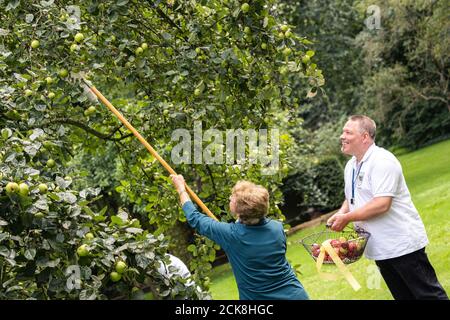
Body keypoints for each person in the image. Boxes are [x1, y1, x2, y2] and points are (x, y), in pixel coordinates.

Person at [327, 115, 448, 300]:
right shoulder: (351, 165)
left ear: (365, 137)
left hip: (402, 245)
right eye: (343, 131)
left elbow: (382, 203)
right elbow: (353, 196)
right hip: (380, 248)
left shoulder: (382, 161)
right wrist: (342, 212)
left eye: (348, 132)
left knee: (429, 296)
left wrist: (347, 218)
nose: (342, 136)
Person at [170, 175, 309, 300]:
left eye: (232, 198)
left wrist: (181, 189)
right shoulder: (277, 227)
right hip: (296, 295)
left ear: (239, 209)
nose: (230, 198)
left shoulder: (232, 235)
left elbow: (195, 218)